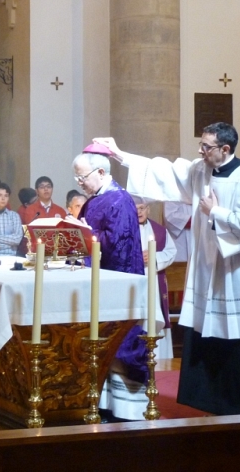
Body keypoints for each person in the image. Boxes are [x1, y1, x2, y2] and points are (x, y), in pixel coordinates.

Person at [94, 122, 240, 415]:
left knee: (238, 335)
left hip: (238, 271)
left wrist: (214, 211)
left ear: (225, 149)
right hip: (209, 268)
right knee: (210, 331)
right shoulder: (200, 170)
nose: (200, 151)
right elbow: (165, 172)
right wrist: (120, 155)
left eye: (206, 146)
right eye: (201, 145)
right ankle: (209, 397)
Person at [72, 146, 147, 420]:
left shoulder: (119, 200)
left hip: (118, 280)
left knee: (118, 341)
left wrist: (84, 234)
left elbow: (118, 244)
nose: (80, 184)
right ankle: (102, 403)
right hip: (98, 278)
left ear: (101, 172)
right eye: (76, 179)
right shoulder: (96, 199)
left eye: (82, 178)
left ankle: (126, 408)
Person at [133, 196, 177, 359]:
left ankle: (159, 359)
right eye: (136, 208)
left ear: (148, 210)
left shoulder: (159, 230)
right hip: (134, 282)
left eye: (142, 208)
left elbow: (171, 252)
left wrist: (154, 257)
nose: (139, 212)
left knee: (154, 316)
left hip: (153, 281)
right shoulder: (124, 230)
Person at [0, 183, 22, 257]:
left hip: (11, 257)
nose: (3, 198)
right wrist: (9, 244)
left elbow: (17, 239)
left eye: (6, 195)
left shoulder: (14, 216)